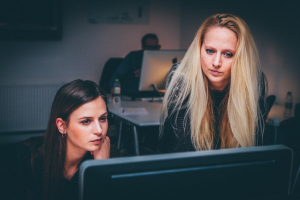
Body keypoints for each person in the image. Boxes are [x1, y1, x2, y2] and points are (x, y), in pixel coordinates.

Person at [159, 13, 267, 153]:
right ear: (199, 49)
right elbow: (180, 149)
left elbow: (252, 148)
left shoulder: (254, 81)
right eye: (210, 51)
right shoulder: (182, 78)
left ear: (241, 57)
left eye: (228, 54)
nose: (216, 63)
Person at [2, 80, 112, 200]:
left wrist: (101, 168)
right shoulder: (21, 159)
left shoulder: (105, 157)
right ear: (62, 126)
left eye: (102, 118)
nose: (99, 130)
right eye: (86, 121)